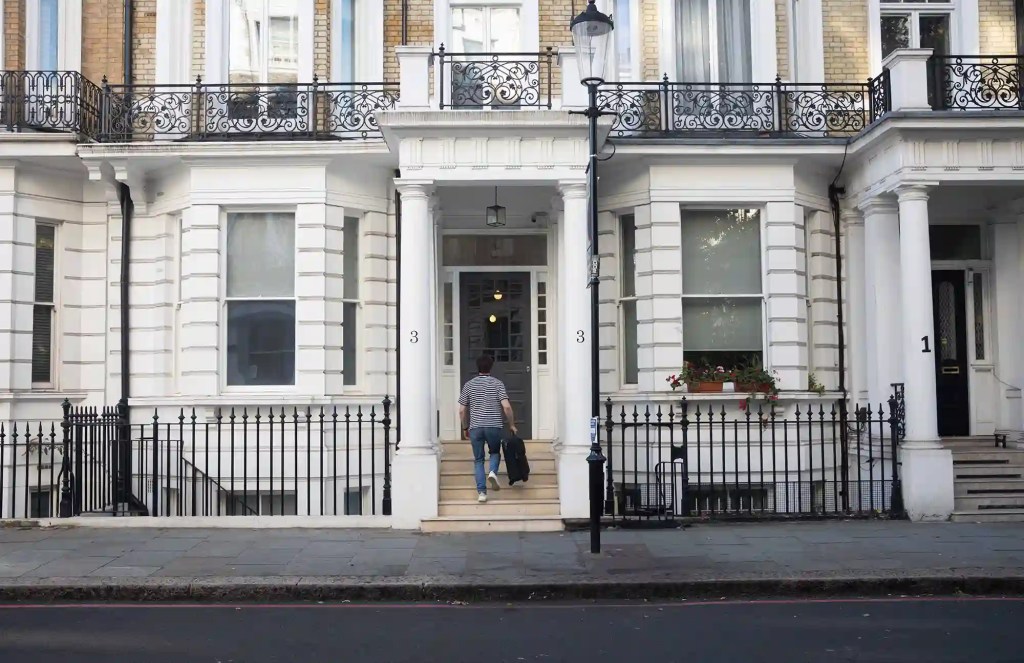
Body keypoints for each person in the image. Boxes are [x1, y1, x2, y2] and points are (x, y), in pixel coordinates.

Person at [458, 354, 517, 503]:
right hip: (494, 426)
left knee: (478, 460)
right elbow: (507, 407)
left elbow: (461, 410)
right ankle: (492, 472)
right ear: (491, 367)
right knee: (495, 452)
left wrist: (465, 427)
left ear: (477, 367)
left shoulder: (469, 385)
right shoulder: (498, 384)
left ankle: (482, 493)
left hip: (476, 427)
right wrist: (511, 424)